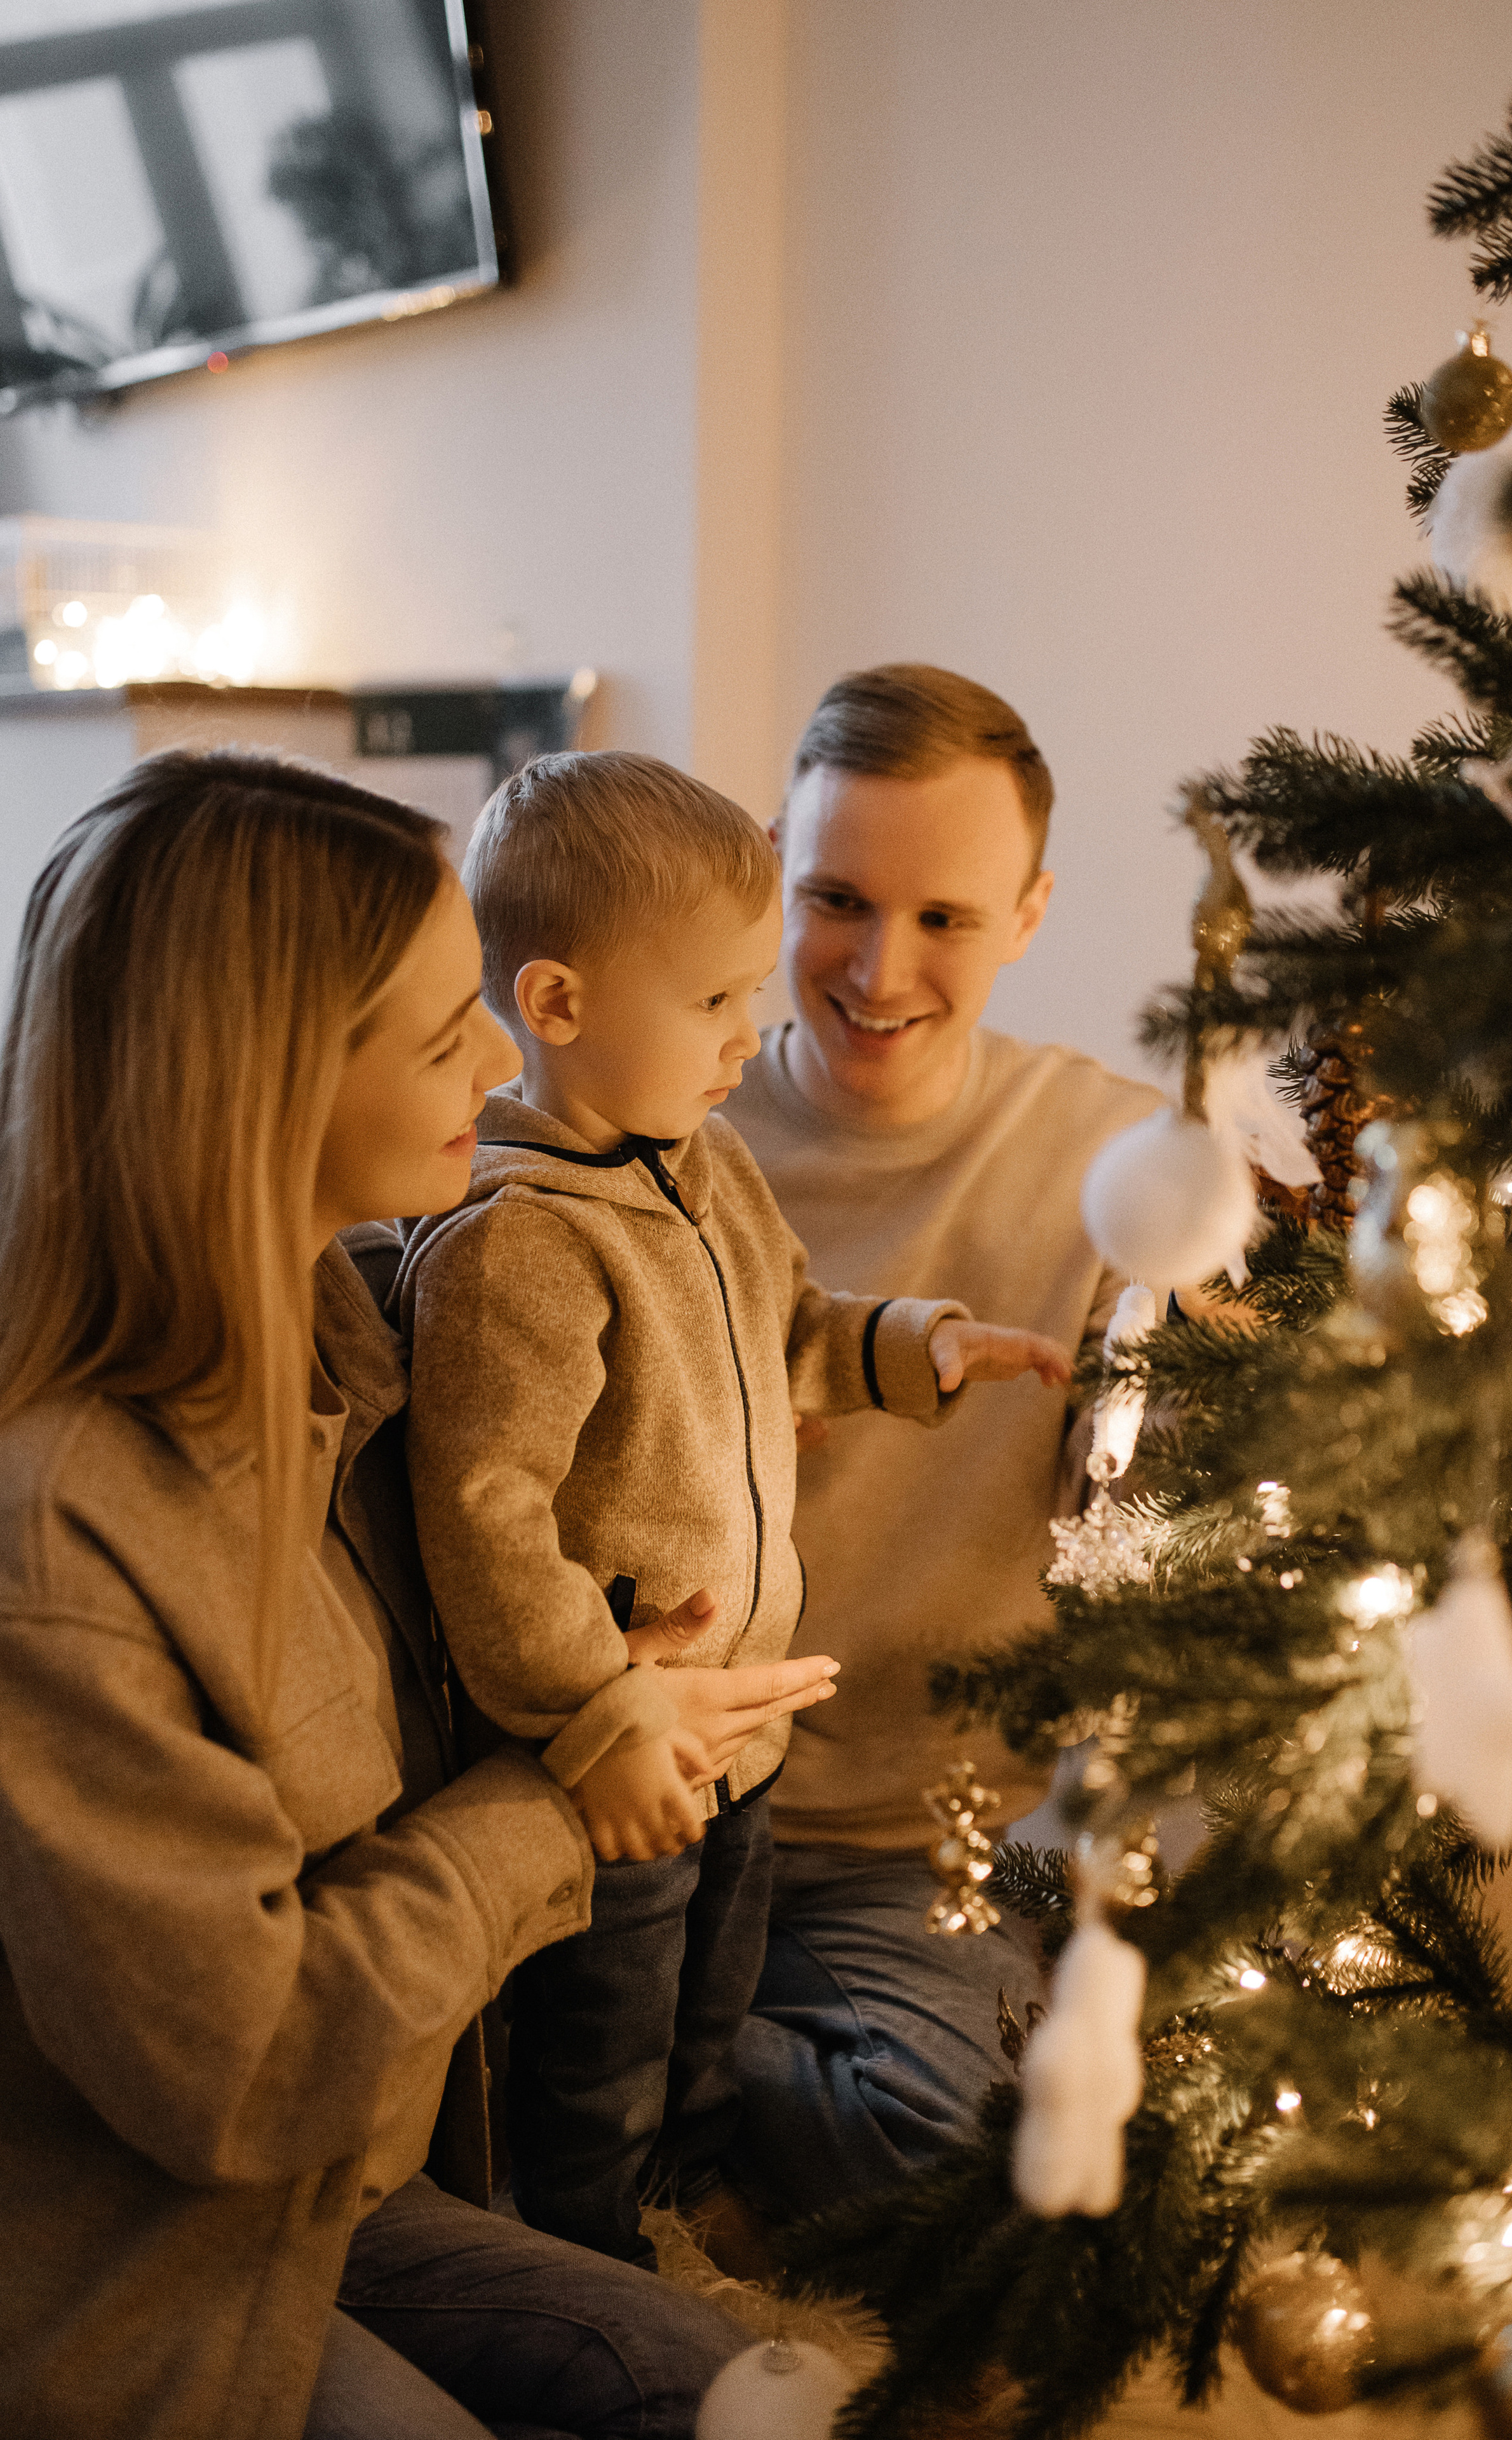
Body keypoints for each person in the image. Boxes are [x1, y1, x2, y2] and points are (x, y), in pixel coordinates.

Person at [0, 748, 763, 2440]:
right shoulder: (61, 1541)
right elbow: (247, 2072)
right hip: (155, 2270)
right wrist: (560, 1805)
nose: (502, 1055)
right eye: (439, 1035)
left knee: (747, 2395)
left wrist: (613, 1678)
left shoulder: (354, 1346)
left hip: (361, 2194)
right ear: (258, 1091)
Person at [391, 750, 1073, 2268]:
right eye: (711, 1000)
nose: (744, 1035)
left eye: (746, 993)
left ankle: (695, 2193)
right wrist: (592, 1720)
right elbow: (485, 1522)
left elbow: (790, 1326)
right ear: (556, 1005)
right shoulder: (518, 1243)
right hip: (619, 1746)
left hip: (738, 1738)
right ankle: (591, 2253)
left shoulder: (706, 1168)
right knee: (602, 2041)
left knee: (703, 2009)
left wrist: (913, 1347)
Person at [722, 664, 1166, 2224]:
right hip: (622, 1804)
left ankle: (677, 2089)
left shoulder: (1124, 1167)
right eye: (835, 899)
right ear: (771, 864)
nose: (878, 969)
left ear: (1028, 915)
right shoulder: (642, 1125)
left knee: (958, 2159)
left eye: (944, 919)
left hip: (909, 1849)